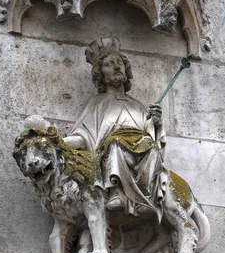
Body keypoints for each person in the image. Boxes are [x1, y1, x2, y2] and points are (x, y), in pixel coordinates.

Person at [63, 37, 167, 222]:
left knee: (151, 146)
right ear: (101, 74)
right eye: (110, 64)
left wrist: (156, 123)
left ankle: (146, 192)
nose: (117, 67)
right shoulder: (96, 103)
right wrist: (60, 143)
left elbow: (151, 130)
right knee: (114, 143)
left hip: (140, 149)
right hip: (112, 149)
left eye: (119, 63)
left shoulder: (138, 106)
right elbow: (84, 135)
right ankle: (116, 192)